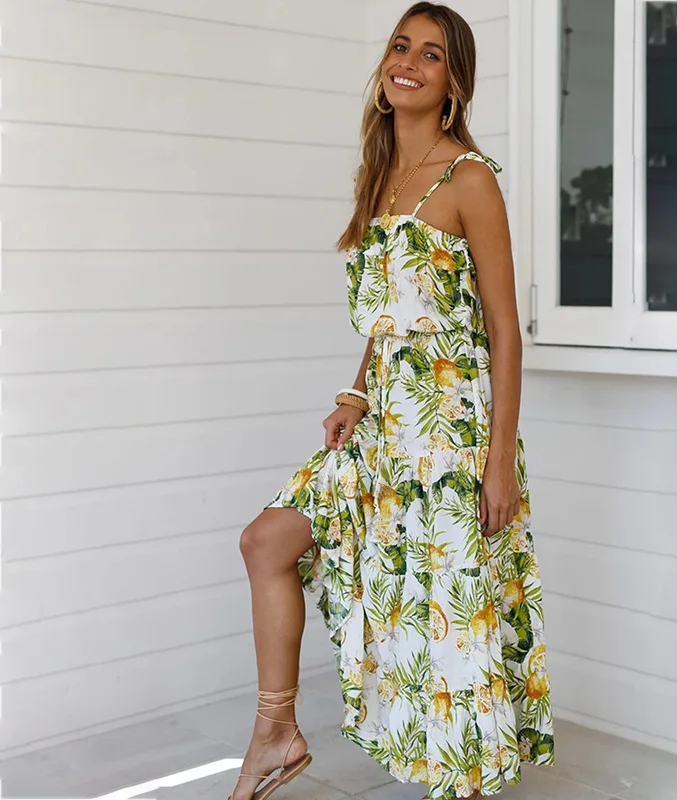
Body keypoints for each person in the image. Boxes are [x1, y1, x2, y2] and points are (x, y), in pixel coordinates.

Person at [227, 4, 554, 799]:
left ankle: (465, 779)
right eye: (400, 45)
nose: (408, 61)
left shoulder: (468, 179)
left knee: (447, 616)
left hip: (449, 435)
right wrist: (356, 390)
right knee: (267, 541)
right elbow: (394, 317)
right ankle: (275, 732)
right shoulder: (378, 180)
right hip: (382, 424)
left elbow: (504, 331)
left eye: (431, 54)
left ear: (455, 83)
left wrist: (498, 465)